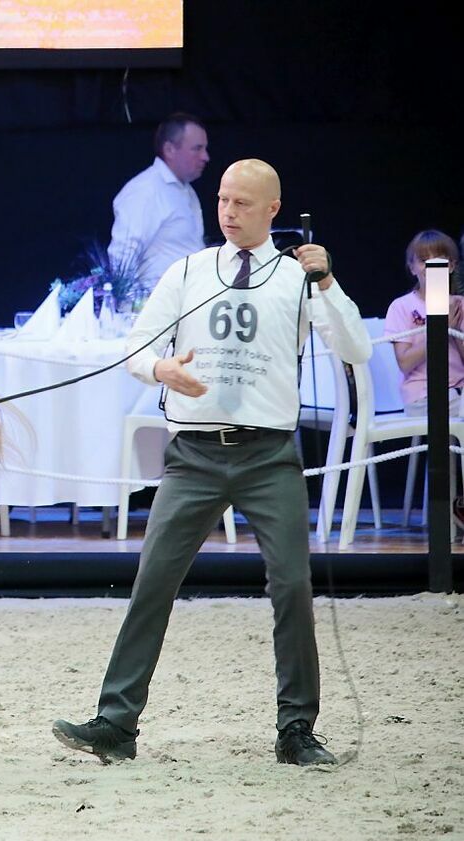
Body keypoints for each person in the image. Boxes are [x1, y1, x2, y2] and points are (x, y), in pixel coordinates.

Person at [54, 159, 371, 766]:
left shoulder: (296, 278)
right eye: (223, 200)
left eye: (243, 203)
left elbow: (354, 348)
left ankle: (296, 730)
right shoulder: (190, 271)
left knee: (294, 585)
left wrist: (327, 283)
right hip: (194, 455)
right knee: (153, 580)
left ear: (273, 210)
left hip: (269, 455)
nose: (228, 212)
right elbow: (137, 346)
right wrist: (159, 369)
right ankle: (117, 725)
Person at [108, 113, 210, 290]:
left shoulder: (186, 191)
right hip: (159, 308)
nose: (205, 157)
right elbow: (122, 257)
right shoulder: (145, 190)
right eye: (197, 148)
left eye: (205, 149)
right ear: (170, 150)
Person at [384, 230, 464, 417]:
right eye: (423, 260)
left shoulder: (459, 304)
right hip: (423, 396)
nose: (431, 265)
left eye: (439, 259)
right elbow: (404, 362)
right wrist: (440, 331)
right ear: (412, 268)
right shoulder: (401, 307)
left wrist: (456, 329)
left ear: (452, 265)